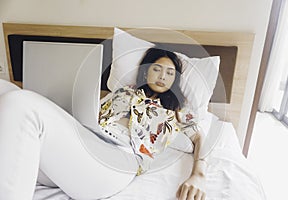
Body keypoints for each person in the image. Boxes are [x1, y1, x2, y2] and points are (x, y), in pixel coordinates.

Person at [0, 47, 207, 200]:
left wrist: (198, 175)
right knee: (5, 90)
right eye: (157, 69)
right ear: (146, 71)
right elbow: (90, 114)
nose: (163, 76)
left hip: (119, 159)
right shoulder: (122, 92)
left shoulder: (177, 111)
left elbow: (199, 137)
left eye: (170, 73)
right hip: (86, 142)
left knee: (19, 102)